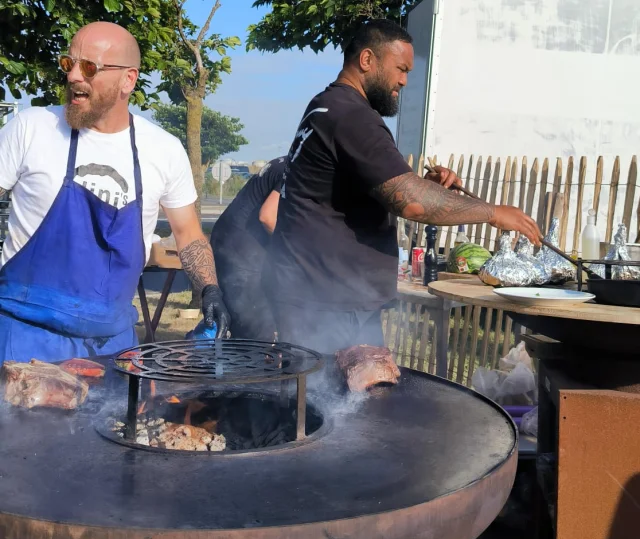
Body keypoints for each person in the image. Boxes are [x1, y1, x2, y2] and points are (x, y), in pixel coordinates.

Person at [263, 19, 541, 355]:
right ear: (367, 60)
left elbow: (371, 189)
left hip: (316, 292)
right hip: (329, 302)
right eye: (400, 68)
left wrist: (427, 186)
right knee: (343, 402)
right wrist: (492, 213)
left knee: (333, 400)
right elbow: (410, 202)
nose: (404, 80)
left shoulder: (325, 105)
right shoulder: (353, 116)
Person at [0, 22, 230, 362]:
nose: (74, 76)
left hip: (111, 344)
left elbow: (189, 234)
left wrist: (209, 290)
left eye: (89, 67)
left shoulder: (163, 149)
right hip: (21, 335)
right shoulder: (31, 128)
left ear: (128, 80)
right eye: (69, 64)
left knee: (115, 416)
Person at [210, 157, 285, 341]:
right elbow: (268, 217)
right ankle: (252, 361)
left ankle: (232, 354)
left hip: (227, 240)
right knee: (256, 325)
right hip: (240, 251)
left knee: (238, 317)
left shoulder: (283, 162)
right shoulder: (296, 170)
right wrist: (291, 251)